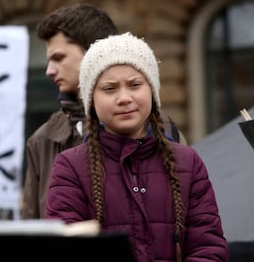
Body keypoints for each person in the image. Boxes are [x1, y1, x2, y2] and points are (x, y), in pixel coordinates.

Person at [45, 32, 229, 261]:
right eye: (110, 88)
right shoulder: (70, 167)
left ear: (152, 90)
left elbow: (208, 247)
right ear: (91, 100)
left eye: (135, 85)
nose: (124, 98)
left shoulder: (188, 162)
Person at [20, 3, 186, 219]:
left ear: (93, 53)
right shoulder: (42, 139)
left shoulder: (161, 129)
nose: (49, 70)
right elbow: (30, 229)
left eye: (59, 58)